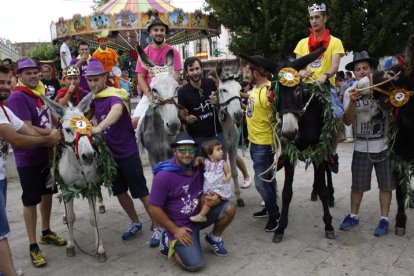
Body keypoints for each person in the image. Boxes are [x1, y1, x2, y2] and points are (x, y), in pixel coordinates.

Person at [0, 65, 61, 276]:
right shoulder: (18, 97)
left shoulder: (37, 94)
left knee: (47, 194)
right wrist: (49, 137)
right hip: (28, 157)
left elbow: (28, 126)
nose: (34, 76)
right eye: (28, 73)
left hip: (43, 154)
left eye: (36, 72)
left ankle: (45, 232)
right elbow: (22, 132)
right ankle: (33, 245)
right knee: (29, 201)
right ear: (21, 76)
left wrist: (58, 130)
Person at [85, 60, 152, 241]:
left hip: (127, 152)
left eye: (96, 79)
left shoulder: (116, 95)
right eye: (89, 80)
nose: (92, 84)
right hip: (110, 157)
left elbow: (115, 112)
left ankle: (160, 226)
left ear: (105, 77)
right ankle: (135, 222)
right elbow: (86, 117)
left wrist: (100, 127)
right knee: (120, 192)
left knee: (142, 192)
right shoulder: (95, 99)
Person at [149, 132, 236, 272]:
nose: (187, 154)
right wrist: (175, 230)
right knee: (195, 265)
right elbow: (154, 208)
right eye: (182, 150)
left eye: (191, 150)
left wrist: (217, 198)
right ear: (175, 151)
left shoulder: (200, 166)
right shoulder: (163, 176)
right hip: (180, 225)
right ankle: (168, 240)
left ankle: (214, 238)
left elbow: (218, 182)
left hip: (199, 215)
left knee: (230, 208)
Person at [339, 51, 395, 237]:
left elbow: (393, 110)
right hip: (361, 147)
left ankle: (384, 219)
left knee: (386, 185)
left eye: (365, 68)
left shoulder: (384, 87)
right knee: (358, 185)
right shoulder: (349, 92)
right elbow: (347, 122)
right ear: (354, 73)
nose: (361, 72)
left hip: (384, 145)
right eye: (358, 69)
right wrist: (353, 103)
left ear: (372, 70)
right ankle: (354, 215)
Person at [294, 2, 345, 173]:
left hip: (324, 88)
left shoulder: (335, 42)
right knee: (284, 111)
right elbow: (297, 66)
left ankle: (332, 153)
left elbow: (335, 66)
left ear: (325, 18)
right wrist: (301, 72)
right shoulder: (302, 43)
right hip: (305, 88)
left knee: (338, 115)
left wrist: (325, 75)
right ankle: (289, 151)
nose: (314, 21)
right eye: (311, 18)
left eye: (317, 17)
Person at [239, 53, 280, 232]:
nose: (247, 71)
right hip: (255, 142)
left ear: (256, 72)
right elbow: (254, 109)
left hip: (264, 144)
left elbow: (277, 111)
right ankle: (269, 208)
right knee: (268, 179)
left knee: (260, 181)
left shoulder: (270, 89)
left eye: (249, 69)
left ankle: (275, 215)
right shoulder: (256, 89)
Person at [132, 14, 182, 128]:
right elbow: (140, 77)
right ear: (150, 33)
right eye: (156, 30)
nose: (159, 33)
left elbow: (176, 75)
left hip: (170, 95)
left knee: (181, 120)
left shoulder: (174, 52)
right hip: (152, 94)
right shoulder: (145, 53)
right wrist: (150, 95)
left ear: (165, 33)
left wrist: (168, 94)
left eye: (161, 30)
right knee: (134, 122)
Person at [206, 69, 252, 188]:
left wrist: (248, 106)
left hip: (230, 128)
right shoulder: (212, 93)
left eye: (215, 80)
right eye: (212, 80)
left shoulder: (227, 88)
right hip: (220, 130)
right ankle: (226, 186)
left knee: (234, 155)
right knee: (225, 157)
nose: (214, 83)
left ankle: (245, 176)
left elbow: (237, 97)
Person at [178, 57, 223, 152]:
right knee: (202, 166)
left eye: (197, 68)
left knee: (220, 165)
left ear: (201, 69)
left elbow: (220, 104)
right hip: (198, 138)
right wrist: (186, 119)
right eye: (191, 70)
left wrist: (217, 101)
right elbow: (181, 114)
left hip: (216, 134)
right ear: (186, 73)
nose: (195, 72)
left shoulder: (210, 83)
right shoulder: (182, 92)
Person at [190, 140, 232, 222]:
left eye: (221, 149)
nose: (221, 151)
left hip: (219, 187)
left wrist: (227, 178)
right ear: (209, 154)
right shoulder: (206, 161)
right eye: (218, 149)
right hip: (209, 187)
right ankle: (203, 214)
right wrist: (196, 161)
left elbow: (229, 172)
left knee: (210, 200)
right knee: (203, 197)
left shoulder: (223, 163)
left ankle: (201, 215)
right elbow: (198, 160)